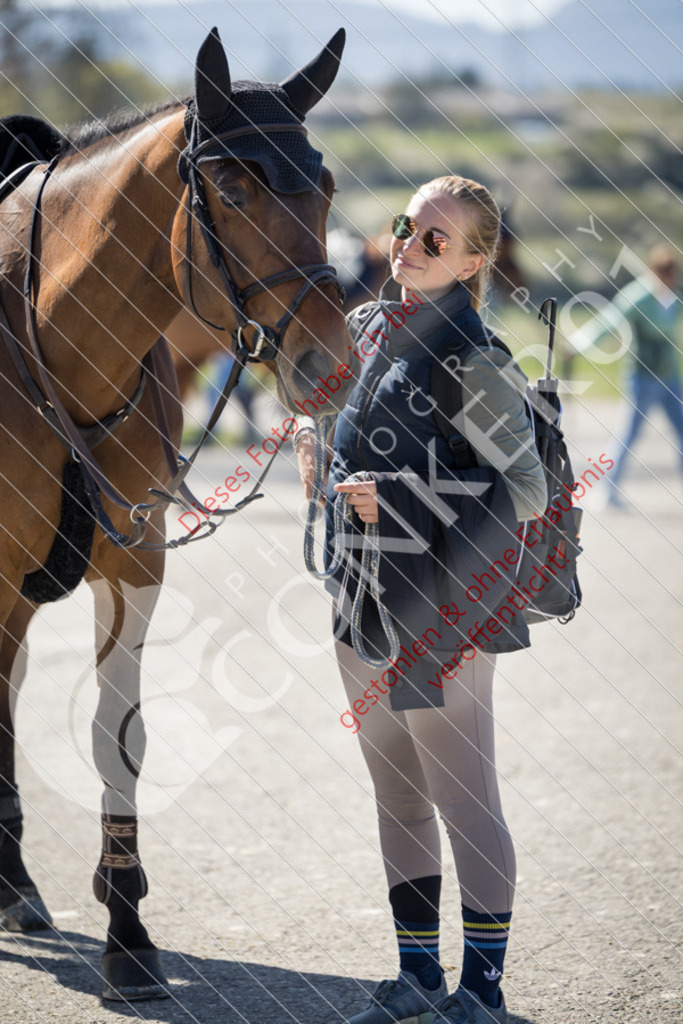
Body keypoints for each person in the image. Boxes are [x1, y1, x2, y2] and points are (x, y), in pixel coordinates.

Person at [294, 176, 547, 1024]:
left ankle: (479, 990)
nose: (408, 243)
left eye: (435, 239)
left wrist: (397, 493)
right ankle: (415, 979)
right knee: (396, 797)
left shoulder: (473, 356)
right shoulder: (366, 328)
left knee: (465, 802)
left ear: (475, 259)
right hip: (359, 594)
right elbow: (347, 444)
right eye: (405, 226)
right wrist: (318, 453)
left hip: (448, 606)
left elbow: (527, 489)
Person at [573, 245, 683, 509]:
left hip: (668, 377)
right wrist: (578, 344)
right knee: (629, 434)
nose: (668, 279)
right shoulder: (638, 297)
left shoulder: (674, 300)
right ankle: (607, 491)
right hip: (642, 376)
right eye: (664, 274)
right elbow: (609, 321)